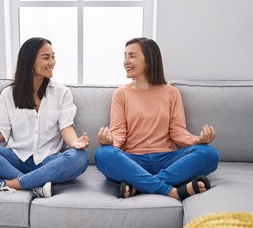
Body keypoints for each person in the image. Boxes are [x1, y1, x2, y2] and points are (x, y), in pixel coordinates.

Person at [0, 37, 90, 198]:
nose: (52, 62)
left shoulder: (61, 93)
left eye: (53, 56)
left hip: (48, 162)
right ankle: (35, 185)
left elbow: (66, 127)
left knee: (79, 157)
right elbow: (0, 132)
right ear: (30, 61)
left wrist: (75, 143)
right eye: (46, 57)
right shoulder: (9, 94)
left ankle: (11, 184)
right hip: (14, 159)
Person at [94, 37, 219, 200]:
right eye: (125, 56)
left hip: (167, 159)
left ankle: (139, 186)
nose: (126, 61)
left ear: (149, 59)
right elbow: (118, 133)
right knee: (103, 154)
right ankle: (171, 191)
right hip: (133, 161)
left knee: (209, 153)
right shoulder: (121, 94)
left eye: (131, 56)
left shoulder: (171, 92)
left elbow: (177, 131)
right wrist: (110, 142)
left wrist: (197, 139)